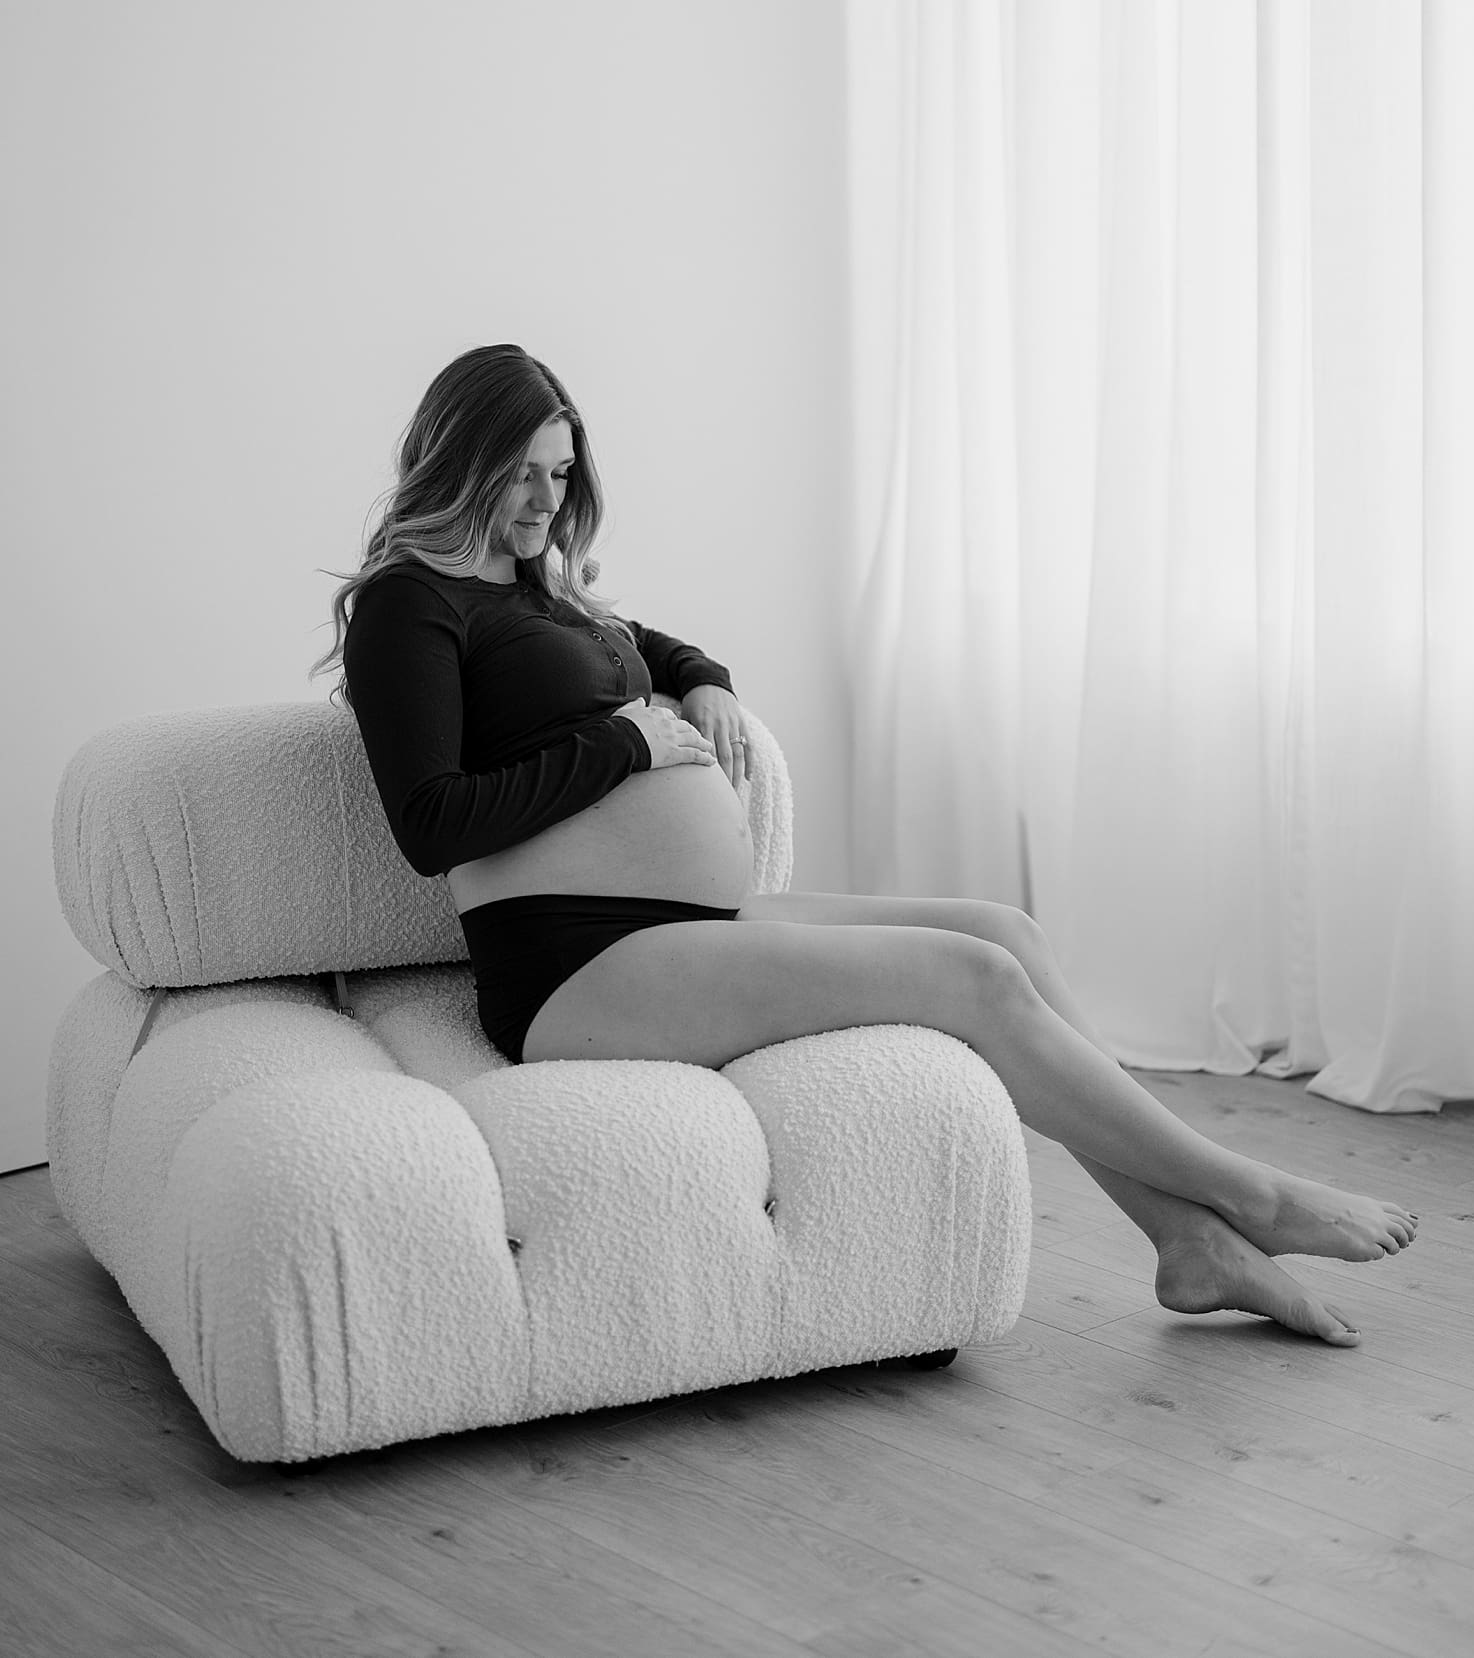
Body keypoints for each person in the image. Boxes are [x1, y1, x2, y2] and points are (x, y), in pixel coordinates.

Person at [316, 343, 1417, 1350]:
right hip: (571, 967)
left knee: (1004, 931)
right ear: (460, 462)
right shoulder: (408, 607)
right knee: (974, 980)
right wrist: (623, 746)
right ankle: (1252, 1196)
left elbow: (648, 646)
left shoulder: (537, 585)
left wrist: (704, 682)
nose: (544, 501)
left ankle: (1189, 1241)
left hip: (676, 924)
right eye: (520, 475)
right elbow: (432, 823)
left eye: (560, 474)